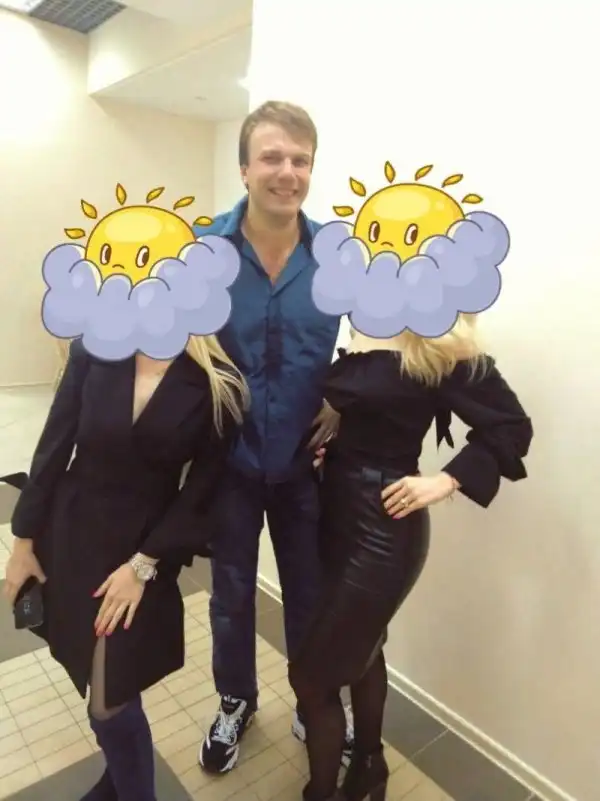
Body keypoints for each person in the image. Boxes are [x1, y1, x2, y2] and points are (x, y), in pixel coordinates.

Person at [289, 320, 534, 801]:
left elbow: (511, 426)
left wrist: (446, 480)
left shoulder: (437, 336)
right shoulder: (361, 322)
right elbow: (377, 405)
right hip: (335, 512)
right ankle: (369, 767)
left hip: (384, 527)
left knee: (311, 681)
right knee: (365, 650)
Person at [3, 334, 248, 801]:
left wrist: (143, 565)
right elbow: (54, 446)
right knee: (101, 678)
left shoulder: (219, 381)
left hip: (146, 547)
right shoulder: (94, 350)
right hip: (76, 534)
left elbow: (203, 489)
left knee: (109, 702)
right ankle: (116, 782)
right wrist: (23, 541)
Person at [193, 101, 355, 774]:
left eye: (300, 160)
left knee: (310, 594)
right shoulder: (204, 252)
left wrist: (344, 399)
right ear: (244, 168)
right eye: (272, 157)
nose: (287, 172)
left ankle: (312, 697)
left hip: (304, 465)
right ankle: (236, 700)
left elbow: (381, 337)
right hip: (227, 463)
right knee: (230, 596)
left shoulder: (337, 257)